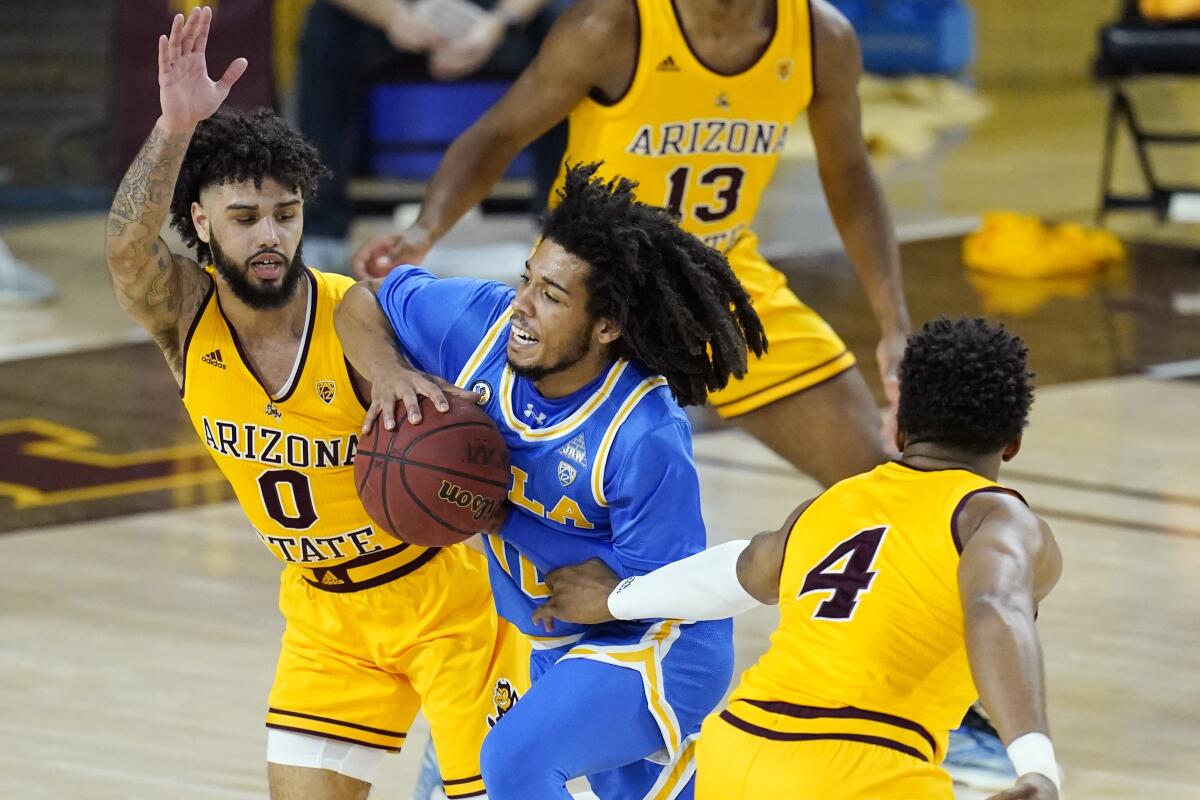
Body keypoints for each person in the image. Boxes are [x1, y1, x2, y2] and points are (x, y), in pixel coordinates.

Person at [103, 9, 528, 799]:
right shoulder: (185, 320)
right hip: (323, 618)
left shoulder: (362, 320)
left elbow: (457, 377)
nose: (270, 235)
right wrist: (174, 127)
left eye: (286, 215)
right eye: (245, 217)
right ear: (200, 222)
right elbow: (128, 250)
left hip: (441, 602)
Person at [334, 162, 767, 798]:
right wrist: (391, 374)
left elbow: (673, 591)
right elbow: (362, 297)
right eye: (526, 280)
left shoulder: (642, 434)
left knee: (512, 761)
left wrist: (503, 519)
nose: (522, 307)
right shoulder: (476, 327)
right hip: (557, 642)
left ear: (607, 327)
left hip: (657, 646)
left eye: (552, 296)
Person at [353, 0, 908, 489]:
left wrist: (894, 324)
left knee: (875, 479)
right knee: (519, 498)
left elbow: (851, 178)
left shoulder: (820, 38)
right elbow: (499, 133)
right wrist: (424, 230)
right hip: (587, 290)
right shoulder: (611, 25)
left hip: (721, 281)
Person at [533, 317, 1064, 800]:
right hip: (862, 768)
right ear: (1012, 444)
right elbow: (995, 607)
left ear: (900, 430)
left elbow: (739, 571)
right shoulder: (994, 518)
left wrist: (615, 597)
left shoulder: (832, 503)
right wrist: (1037, 768)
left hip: (736, 749)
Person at [296, 0, 566, 274]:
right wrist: (394, 18)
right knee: (326, 26)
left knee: (566, 29)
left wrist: (499, 23)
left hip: (493, 20)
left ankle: (558, 228)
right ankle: (322, 230)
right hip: (395, 16)